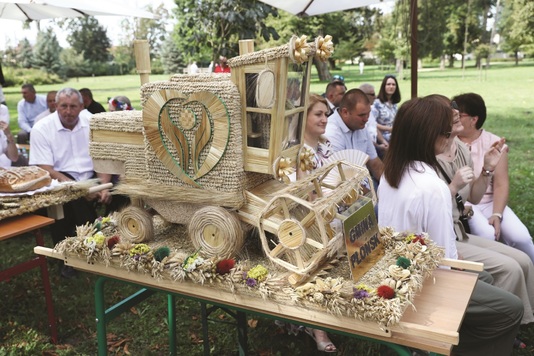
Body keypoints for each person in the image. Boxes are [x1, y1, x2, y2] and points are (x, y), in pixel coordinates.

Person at [378, 95, 523, 355]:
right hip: (424, 285)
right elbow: (444, 260)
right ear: (427, 136)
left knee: (487, 277)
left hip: (399, 270)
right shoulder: (431, 185)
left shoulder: (393, 171)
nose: (450, 138)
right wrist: (458, 261)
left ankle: (455, 338)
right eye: (446, 132)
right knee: (511, 309)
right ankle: (449, 346)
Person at [432, 95, 534, 332]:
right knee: (509, 265)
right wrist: (454, 188)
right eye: (454, 115)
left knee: (522, 255)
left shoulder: (460, 149)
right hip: (446, 235)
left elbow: (476, 197)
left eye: (460, 114)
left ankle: (521, 316)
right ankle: (499, 325)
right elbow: (435, 208)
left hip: (461, 226)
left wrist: (487, 167)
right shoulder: (431, 155)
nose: (458, 116)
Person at [29, 88, 111, 278]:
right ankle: (67, 258)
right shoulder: (42, 128)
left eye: (73, 106)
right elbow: (45, 169)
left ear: (82, 106)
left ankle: (118, 246)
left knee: (123, 195)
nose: (68, 111)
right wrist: (80, 189)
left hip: (92, 177)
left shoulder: (92, 122)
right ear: (55, 106)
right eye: (63, 106)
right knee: (69, 201)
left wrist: (104, 186)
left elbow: (102, 158)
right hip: (59, 179)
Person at [280, 94, 336, 353]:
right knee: (315, 263)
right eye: (318, 114)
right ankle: (318, 330)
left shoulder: (326, 146)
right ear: (304, 118)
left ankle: (335, 313)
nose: (325, 119)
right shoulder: (293, 153)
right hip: (304, 220)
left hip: (331, 212)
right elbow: (298, 196)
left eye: (326, 114)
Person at [454, 93, 534, 265]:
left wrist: (497, 214)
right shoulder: (450, 142)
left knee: (521, 238)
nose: (454, 118)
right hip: (467, 202)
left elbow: (501, 184)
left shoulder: (495, 143)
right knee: (487, 234)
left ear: (474, 119)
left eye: (459, 115)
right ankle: (499, 275)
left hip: (490, 201)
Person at [325, 88, 384, 185]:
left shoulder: (360, 126)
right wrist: (374, 198)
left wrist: (391, 188)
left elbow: (375, 164)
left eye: (368, 113)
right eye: (362, 115)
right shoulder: (331, 132)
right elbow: (340, 181)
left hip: (366, 184)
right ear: (345, 112)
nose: (366, 119)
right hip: (347, 191)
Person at [359, 83, 388, 158]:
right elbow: (363, 137)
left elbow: (374, 127)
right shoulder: (359, 113)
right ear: (363, 95)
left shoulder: (370, 110)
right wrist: (379, 146)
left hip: (376, 145)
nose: (375, 97)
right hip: (367, 149)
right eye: (372, 94)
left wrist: (383, 141)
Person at [372, 75, 400, 142]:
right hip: (383, 137)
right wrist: (389, 129)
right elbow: (372, 123)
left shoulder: (394, 104)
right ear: (384, 86)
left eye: (393, 85)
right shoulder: (377, 103)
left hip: (395, 135)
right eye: (388, 84)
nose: (391, 87)